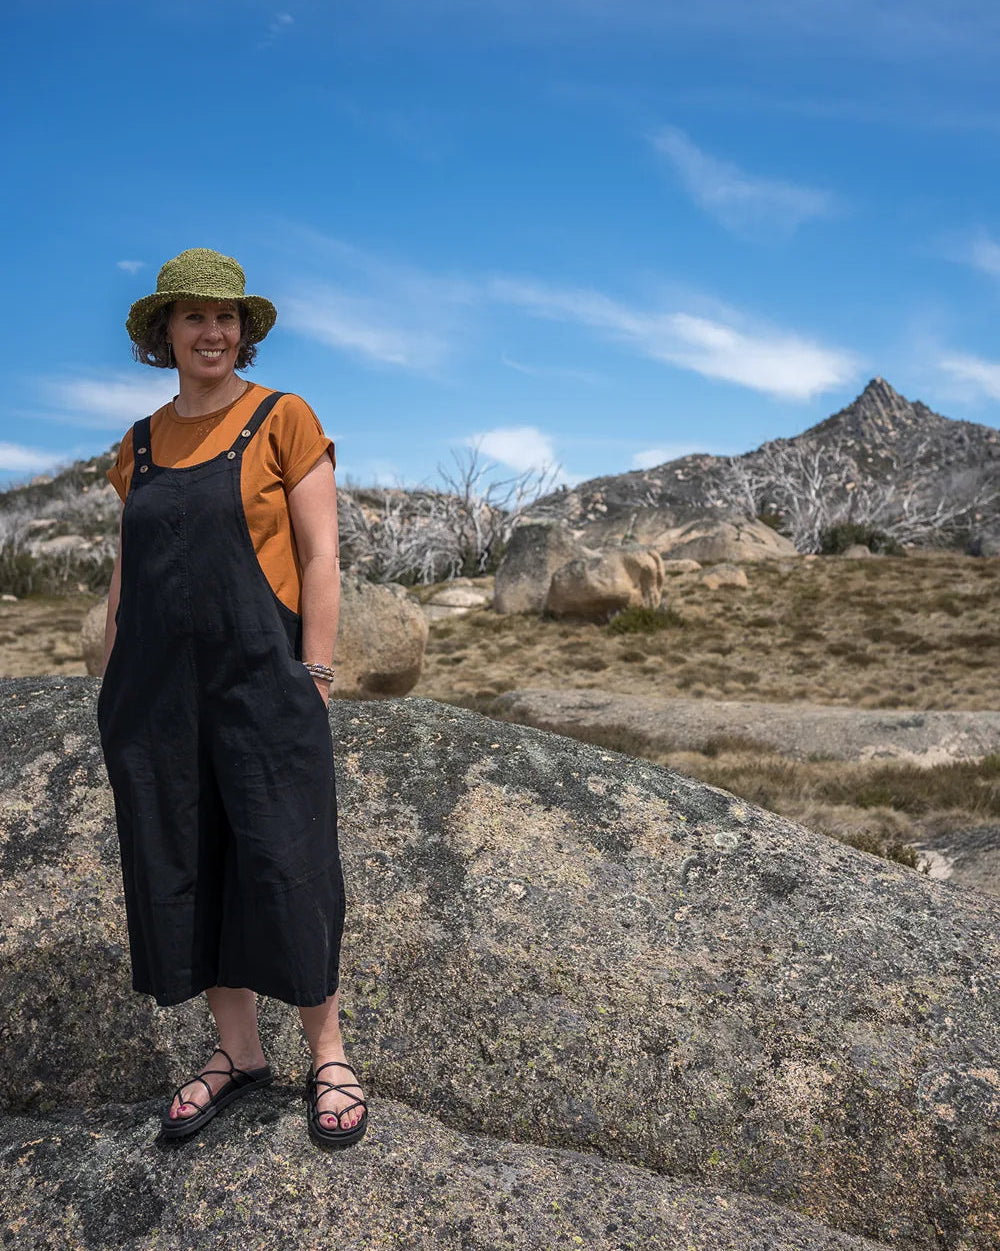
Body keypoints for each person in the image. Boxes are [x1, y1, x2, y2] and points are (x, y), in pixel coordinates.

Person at [98, 247, 366, 1149]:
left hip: (262, 685)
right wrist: (110, 687)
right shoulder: (139, 444)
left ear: (243, 332)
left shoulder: (283, 418)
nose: (211, 332)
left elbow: (322, 555)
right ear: (165, 333)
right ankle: (239, 1053)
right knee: (188, 861)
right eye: (194, 316)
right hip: (156, 697)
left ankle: (327, 1053)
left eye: (226, 317)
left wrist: (315, 675)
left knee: (290, 861)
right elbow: (127, 573)